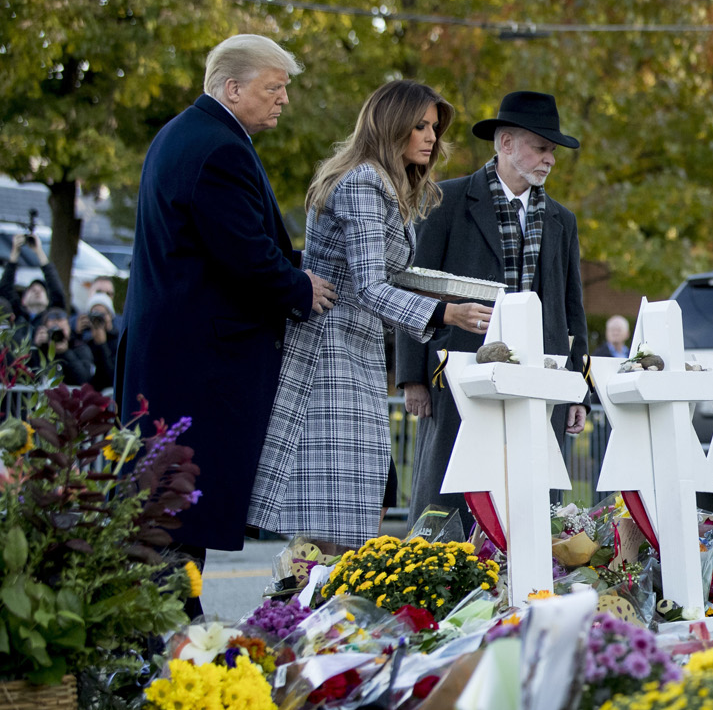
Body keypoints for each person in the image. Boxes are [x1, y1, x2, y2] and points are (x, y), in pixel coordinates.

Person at [117, 33, 338, 570]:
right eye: (274, 87)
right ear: (233, 88)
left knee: (165, 506)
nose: (284, 99)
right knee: (178, 508)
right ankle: (169, 635)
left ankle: (170, 628)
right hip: (200, 364)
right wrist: (300, 287)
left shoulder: (182, 134)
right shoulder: (219, 148)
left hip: (173, 354)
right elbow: (244, 253)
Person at [249, 81, 486, 550]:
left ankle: (320, 613)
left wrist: (455, 288)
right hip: (327, 349)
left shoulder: (383, 183)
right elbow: (370, 285)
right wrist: (447, 312)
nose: (431, 137)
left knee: (348, 506)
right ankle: (300, 615)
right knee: (329, 512)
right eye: (419, 126)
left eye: (434, 128)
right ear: (390, 123)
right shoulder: (362, 181)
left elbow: (389, 275)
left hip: (354, 350)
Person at [398, 90, 590, 529]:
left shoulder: (562, 219)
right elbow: (414, 288)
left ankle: (532, 586)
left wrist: (579, 385)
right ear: (505, 144)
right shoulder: (444, 201)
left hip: (542, 376)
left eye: (552, 151)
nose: (549, 160)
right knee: (449, 490)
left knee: (535, 496)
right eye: (541, 148)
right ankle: (443, 577)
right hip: (458, 368)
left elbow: (571, 307)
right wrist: (412, 377)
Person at [31, 307, 97, 386]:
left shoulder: (78, 347)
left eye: (61, 331)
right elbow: (28, 375)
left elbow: (84, 379)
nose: (57, 335)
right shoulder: (40, 348)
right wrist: (36, 347)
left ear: (69, 328)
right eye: (53, 331)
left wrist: (66, 353)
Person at [76, 293, 117, 390]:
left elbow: (112, 376)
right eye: (94, 315)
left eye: (102, 315)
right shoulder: (85, 342)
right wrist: (77, 335)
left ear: (110, 316)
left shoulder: (118, 341)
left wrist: (102, 345)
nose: (98, 319)